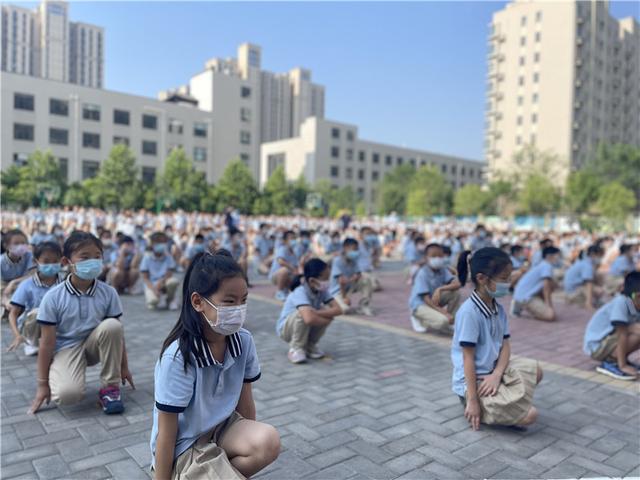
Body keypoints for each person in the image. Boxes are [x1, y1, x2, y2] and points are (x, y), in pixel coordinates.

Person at [150, 250, 280, 479]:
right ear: (198, 302)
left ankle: (215, 471)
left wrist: (246, 440)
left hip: (222, 430)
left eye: (244, 300)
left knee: (267, 441)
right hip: (186, 445)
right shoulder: (179, 357)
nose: (239, 309)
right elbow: (167, 433)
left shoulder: (243, 340)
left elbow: (246, 404)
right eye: (229, 301)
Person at [29, 232, 134, 415]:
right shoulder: (53, 297)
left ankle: (110, 389)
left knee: (112, 325)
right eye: (84, 257)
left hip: (94, 345)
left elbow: (117, 334)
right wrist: (42, 385)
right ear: (66, 262)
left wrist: (124, 367)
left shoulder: (108, 293)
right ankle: (61, 368)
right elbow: (46, 344)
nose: (92, 262)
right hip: (66, 348)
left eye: (97, 257)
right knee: (67, 396)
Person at [452, 247, 543, 431]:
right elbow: (467, 358)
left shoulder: (498, 308)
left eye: (509, 278)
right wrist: (473, 400)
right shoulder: (469, 312)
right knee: (530, 415)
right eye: (504, 279)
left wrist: (496, 374)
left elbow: (505, 344)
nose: (508, 283)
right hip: (474, 381)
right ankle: (475, 405)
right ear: (481, 278)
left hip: (492, 370)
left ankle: (502, 398)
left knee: (536, 370)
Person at [276, 258, 342, 364]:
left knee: (324, 313)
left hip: (305, 324)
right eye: (325, 279)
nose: (327, 282)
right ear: (312, 280)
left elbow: (338, 309)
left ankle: (309, 346)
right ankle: (296, 348)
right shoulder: (300, 291)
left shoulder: (321, 290)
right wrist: (325, 318)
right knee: (303, 314)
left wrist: (317, 312)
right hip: (287, 329)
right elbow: (308, 319)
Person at [7, 241, 64, 356]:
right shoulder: (27, 285)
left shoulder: (65, 282)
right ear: (36, 261)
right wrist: (17, 335)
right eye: (46, 261)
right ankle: (32, 343)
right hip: (33, 326)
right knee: (39, 311)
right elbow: (13, 313)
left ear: (61, 261)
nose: (51, 265)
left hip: (57, 325)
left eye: (55, 261)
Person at [583, 272, 640, 381]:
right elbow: (622, 334)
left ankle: (617, 359)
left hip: (609, 340)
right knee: (636, 330)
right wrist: (623, 366)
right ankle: (615, 362)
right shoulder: (622, 302)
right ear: (637, 296)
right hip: (597, 346)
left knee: (636, 329)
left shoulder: (634, 303)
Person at [409, 243, 462, 334]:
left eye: (440, 256)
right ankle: (419, 317)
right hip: (421, 304)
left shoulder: (443, 269)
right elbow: (425, 298)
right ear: (426, 258)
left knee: (455, 293)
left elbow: (457, 284)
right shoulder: (423, 273)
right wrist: (444, 313)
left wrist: (440, 289)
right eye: (433, 256)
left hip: (434, 300)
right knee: (442, 321)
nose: (437, 258)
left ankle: (449, 320)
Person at [510, 247, 562, 322]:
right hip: (526, 297)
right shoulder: (547, 266)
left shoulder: (542, 264)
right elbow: (546, 287)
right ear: (549, 256)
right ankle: (521, 305)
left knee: (553, 283)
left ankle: (519, 304)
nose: (559, 258)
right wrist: (549, 305)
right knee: (551, 316)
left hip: (522, 294)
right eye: (557, 256)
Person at [329, 238, 374, 316]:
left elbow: (358, 273)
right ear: (345, 248)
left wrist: (356, 276)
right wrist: (344, 298)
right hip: (337, 292)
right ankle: (331, 304)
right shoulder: (337, 261)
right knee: (345, 309)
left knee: (366, 279)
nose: (356, 252)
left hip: (349, 287)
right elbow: (341, 282)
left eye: (357, 249)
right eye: (354, 249)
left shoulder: (353, 260)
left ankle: (364, 305)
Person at [140, 232, 180, 311]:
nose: (162, 244)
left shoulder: (168, 256)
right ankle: (156, 298)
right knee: (153, 302)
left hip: (164, 282)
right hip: (151, 284)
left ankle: (170, 299)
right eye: (158, 242)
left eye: (163, 242)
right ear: (152, 244)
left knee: (173, 282)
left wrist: (161, 282)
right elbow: (145, 278)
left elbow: (169, 274)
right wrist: (154, 289)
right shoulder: (147, 257)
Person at [1, 229, 36, 318]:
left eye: (23, 243)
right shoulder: (1, 261)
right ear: (6, 246)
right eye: (16, 243)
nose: (21, 246)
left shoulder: (28, 256)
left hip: (21, 284)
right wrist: (4, 298)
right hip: (4, 287)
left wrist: (14, 283)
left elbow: (32, 274)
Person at [564, 245, 605, 310]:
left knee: (599, 278)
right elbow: (588, 283)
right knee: (598, 291)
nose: (600, 258)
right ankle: (587, 302)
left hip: (573, 288)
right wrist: (589, 304)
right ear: (593, 254)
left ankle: (589, 300)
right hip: (573, 291)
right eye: (600, 255)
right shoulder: (587, 265)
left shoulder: (585, 262)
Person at [269, 231, 299, 302]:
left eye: (294, 238)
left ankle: (286, 291)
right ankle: (279, 292)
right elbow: (281, 261)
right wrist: (292, 268)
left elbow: (297, 267)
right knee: (284, 270)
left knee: (299, 277)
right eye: (291, 238)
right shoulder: (282, 249)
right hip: (276, 275)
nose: (293, 240)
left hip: (288, 276)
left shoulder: (294, 252)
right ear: (285, 241)